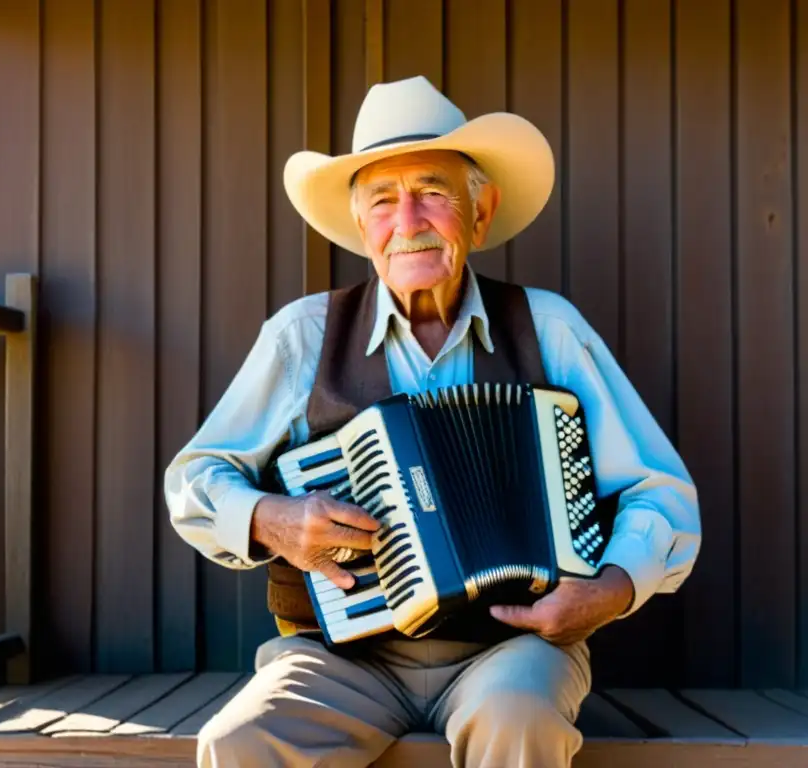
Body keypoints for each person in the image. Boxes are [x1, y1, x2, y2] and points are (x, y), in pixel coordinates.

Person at [164, 75, 701, 768]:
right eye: (383, 201)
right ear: (362, 228)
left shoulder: (550, 328)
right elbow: (194, 478)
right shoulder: (300, 337)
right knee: (237, 741)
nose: (408, 218)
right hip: (341, 657)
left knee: (517, 719)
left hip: (511, 650)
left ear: (481, 213)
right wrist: (274, 520)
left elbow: (661, 492)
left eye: (434, 193)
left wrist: (612, 589)